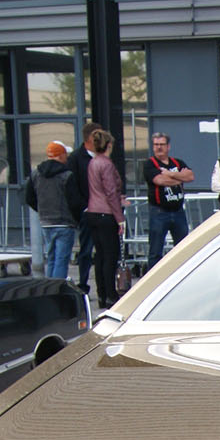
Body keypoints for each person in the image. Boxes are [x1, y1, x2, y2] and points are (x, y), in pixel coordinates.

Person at [23, 140, 84, 279]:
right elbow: (74, 201)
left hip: (46, 221)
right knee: (61, 260)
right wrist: (77, 218)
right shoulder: (66, 175)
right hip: (64, 222)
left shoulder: (36, 174)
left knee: (51, 258)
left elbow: (29, 198)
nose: (67, 157)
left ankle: (50, 288)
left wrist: (42, 210)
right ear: (61, 155)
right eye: (65, 154)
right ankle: (58, 289)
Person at [81, 129, 124, 311]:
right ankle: (110, 295)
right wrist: (119, 218)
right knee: (110, 256)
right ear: (109, 145)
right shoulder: (106, 164)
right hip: (106, 213)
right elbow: (110, 191)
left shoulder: (92, 162)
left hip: (92, 211)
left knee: (99, 256)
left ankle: (101, 294)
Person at [143, 132, 195, 269]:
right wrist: (179, 177)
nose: (159, 147)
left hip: (178, 211)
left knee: (182, 249)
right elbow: (160, 180)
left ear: (168, 146)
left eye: (162, 144)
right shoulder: (150, 164)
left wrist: (170, 173)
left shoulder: (177, 162)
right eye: (156, 145)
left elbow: (190, 176)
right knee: (155, 251)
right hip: (159, 212)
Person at [66, 120, 101, 293]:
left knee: (105, 251)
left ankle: (105, 287)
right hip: (87, 211)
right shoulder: (75, 159)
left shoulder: (104, 155)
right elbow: (72, 187)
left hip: (104, 211)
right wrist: (83, 208)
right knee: (86, 250)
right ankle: (83, 283)